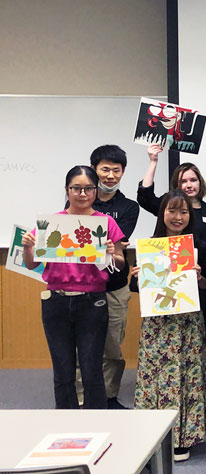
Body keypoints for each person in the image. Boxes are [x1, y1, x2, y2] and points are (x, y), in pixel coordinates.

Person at [22, 166, 125, 409]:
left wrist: (111, 254)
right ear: (67, 190)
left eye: (88, 188)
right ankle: (65, 427)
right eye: (76, 188)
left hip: (92, 302)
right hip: (56, 301)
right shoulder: (52, 224)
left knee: (92, 370)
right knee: (63, 371)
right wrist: (28, 247)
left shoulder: (105, 222)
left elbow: (120, 264)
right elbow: (31, 263)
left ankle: (97, 426)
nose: (82, 193)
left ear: (95, 191)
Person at [130, 190, 206, 462]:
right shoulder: (150, 246)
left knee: (187, 374)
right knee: (155, 375)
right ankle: (152, 434)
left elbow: (205, 288)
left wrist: (200, 277)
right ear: (162, 213)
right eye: (172, 211)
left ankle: (183, 437)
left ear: (190, 216)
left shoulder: (197, 244)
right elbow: (137, 289)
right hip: (158, 325)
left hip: (187, 322)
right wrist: (137, 276)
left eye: (184, 212)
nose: (178, 217)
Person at [73, 145, 139, 410]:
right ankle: (81, 399)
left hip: (114, 284)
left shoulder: (129, 207)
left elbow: (115, 242)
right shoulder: (78, 199)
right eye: (105, 169)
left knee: (112, 346)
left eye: (116, 170)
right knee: (83, 346)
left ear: (122, 172)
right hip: (83, 285)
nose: (111, 175)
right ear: (93, 169)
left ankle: (109, 397)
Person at [137, 144, 206, 336]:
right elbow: (144, 197)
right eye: (183, 181)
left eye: (193, 180)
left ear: (200, 182)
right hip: (165, 286)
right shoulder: (166, 206)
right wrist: (153, 161)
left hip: (200, 286)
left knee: (195, 338)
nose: (189, 185)